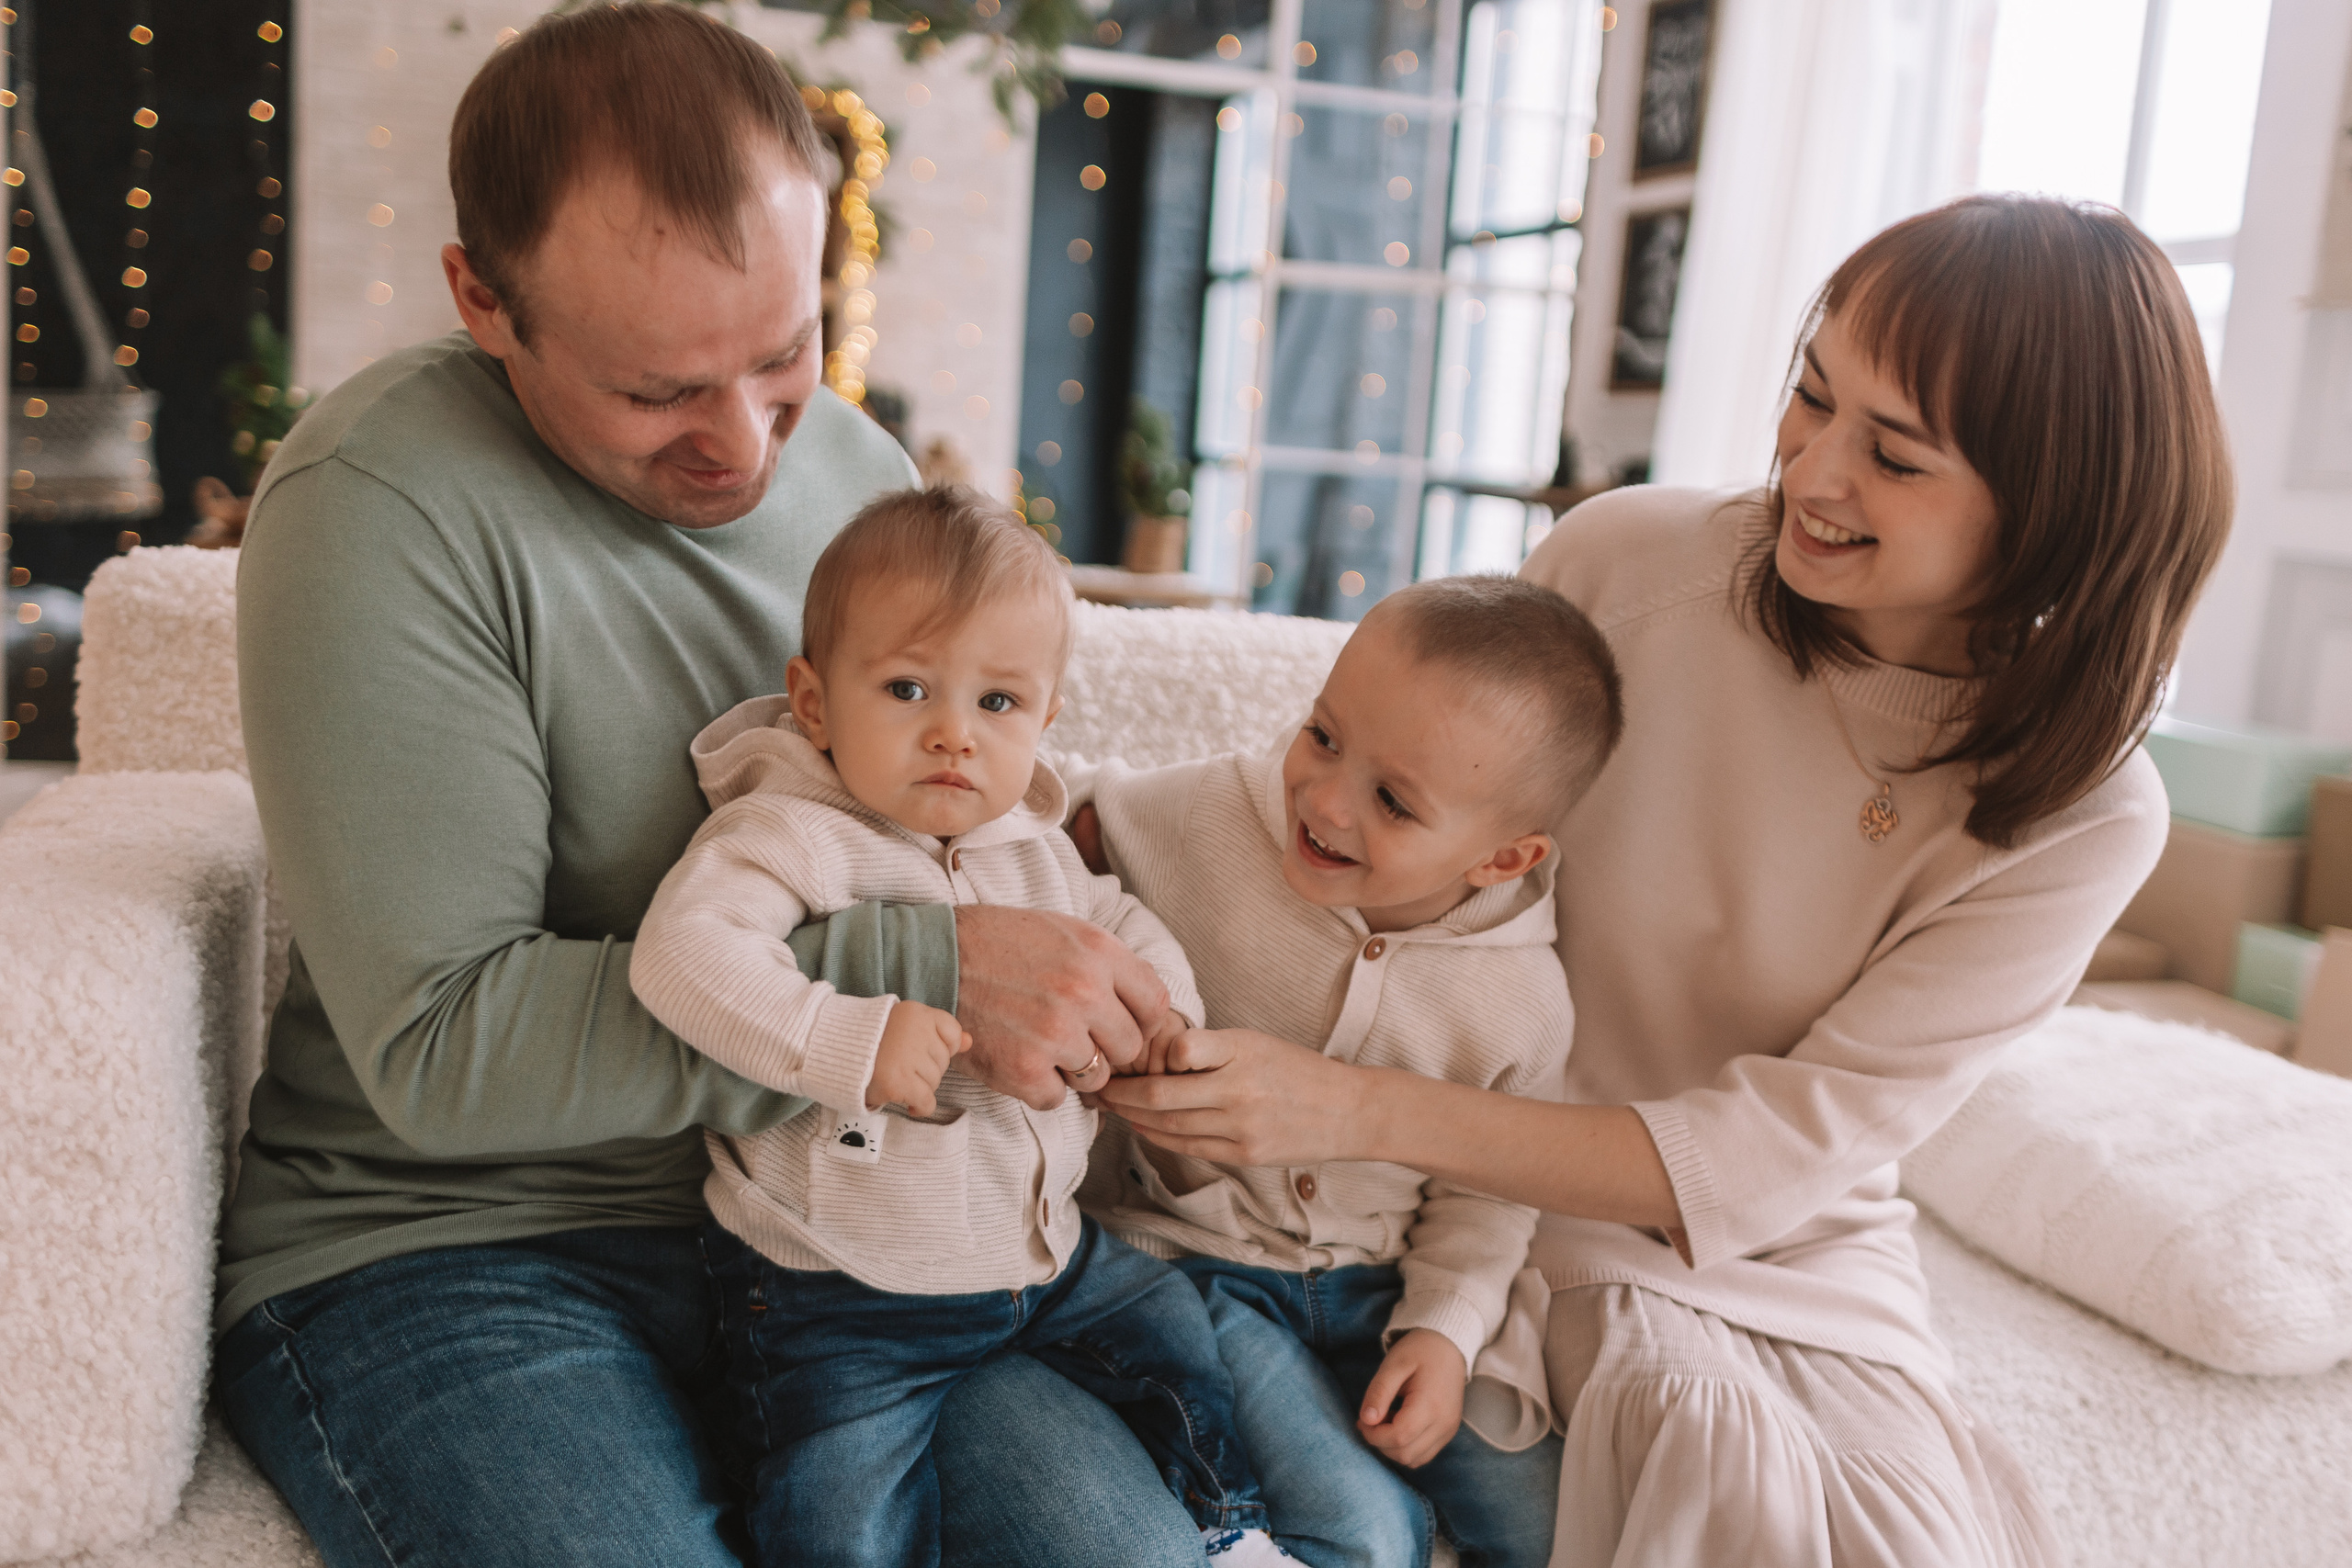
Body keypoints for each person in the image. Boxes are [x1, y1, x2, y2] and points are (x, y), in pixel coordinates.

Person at [1094, 194, 2231, 1566]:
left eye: (1896, 455)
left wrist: (1344, 1101)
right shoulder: (1628, 562)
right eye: (1811, 397)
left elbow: (1775, 1154)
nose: (1812, 473)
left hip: (1779, 1240)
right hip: (1483, 1191)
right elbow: (1381, 821)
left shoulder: (2090, 811)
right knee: (1719, 1488)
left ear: (2052, 504)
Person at [214, 8, 1211, 1565]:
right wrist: (929, 974)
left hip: (823, 1227)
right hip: (447, 1243)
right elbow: (441, 1044)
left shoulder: (862, 481)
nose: (741, 440)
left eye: (783, 351)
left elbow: (980, 807)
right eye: (658, 390)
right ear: (485, 297)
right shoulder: (379, 509)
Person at [630, 488, 1291, 1568]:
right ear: (812, 701)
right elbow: (684, 958)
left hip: (1040, 1263)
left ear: (1043, 721)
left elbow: (1117, 925)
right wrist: (849, 1034)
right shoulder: (793, 831)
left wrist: (1162, 1011)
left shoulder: (1029, 845)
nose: (952, 733)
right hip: (838, 1290)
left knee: (1171, 1327)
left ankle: (1230, 1534)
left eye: (997, 703)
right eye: (904, 689)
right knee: (840, 1515)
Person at [1073, 576, 1621, 1568]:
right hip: (1204, 1270)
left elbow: (1489, 1189)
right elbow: (1063, 817)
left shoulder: (1524, 999)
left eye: (1393, 801)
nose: (1321, 801)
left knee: (1556, 1529)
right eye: (1322, 735)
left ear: (1505, 857)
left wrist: (1445, 1335)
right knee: (1366, 1536)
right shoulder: (1211, 813)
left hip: (1382, 1290)